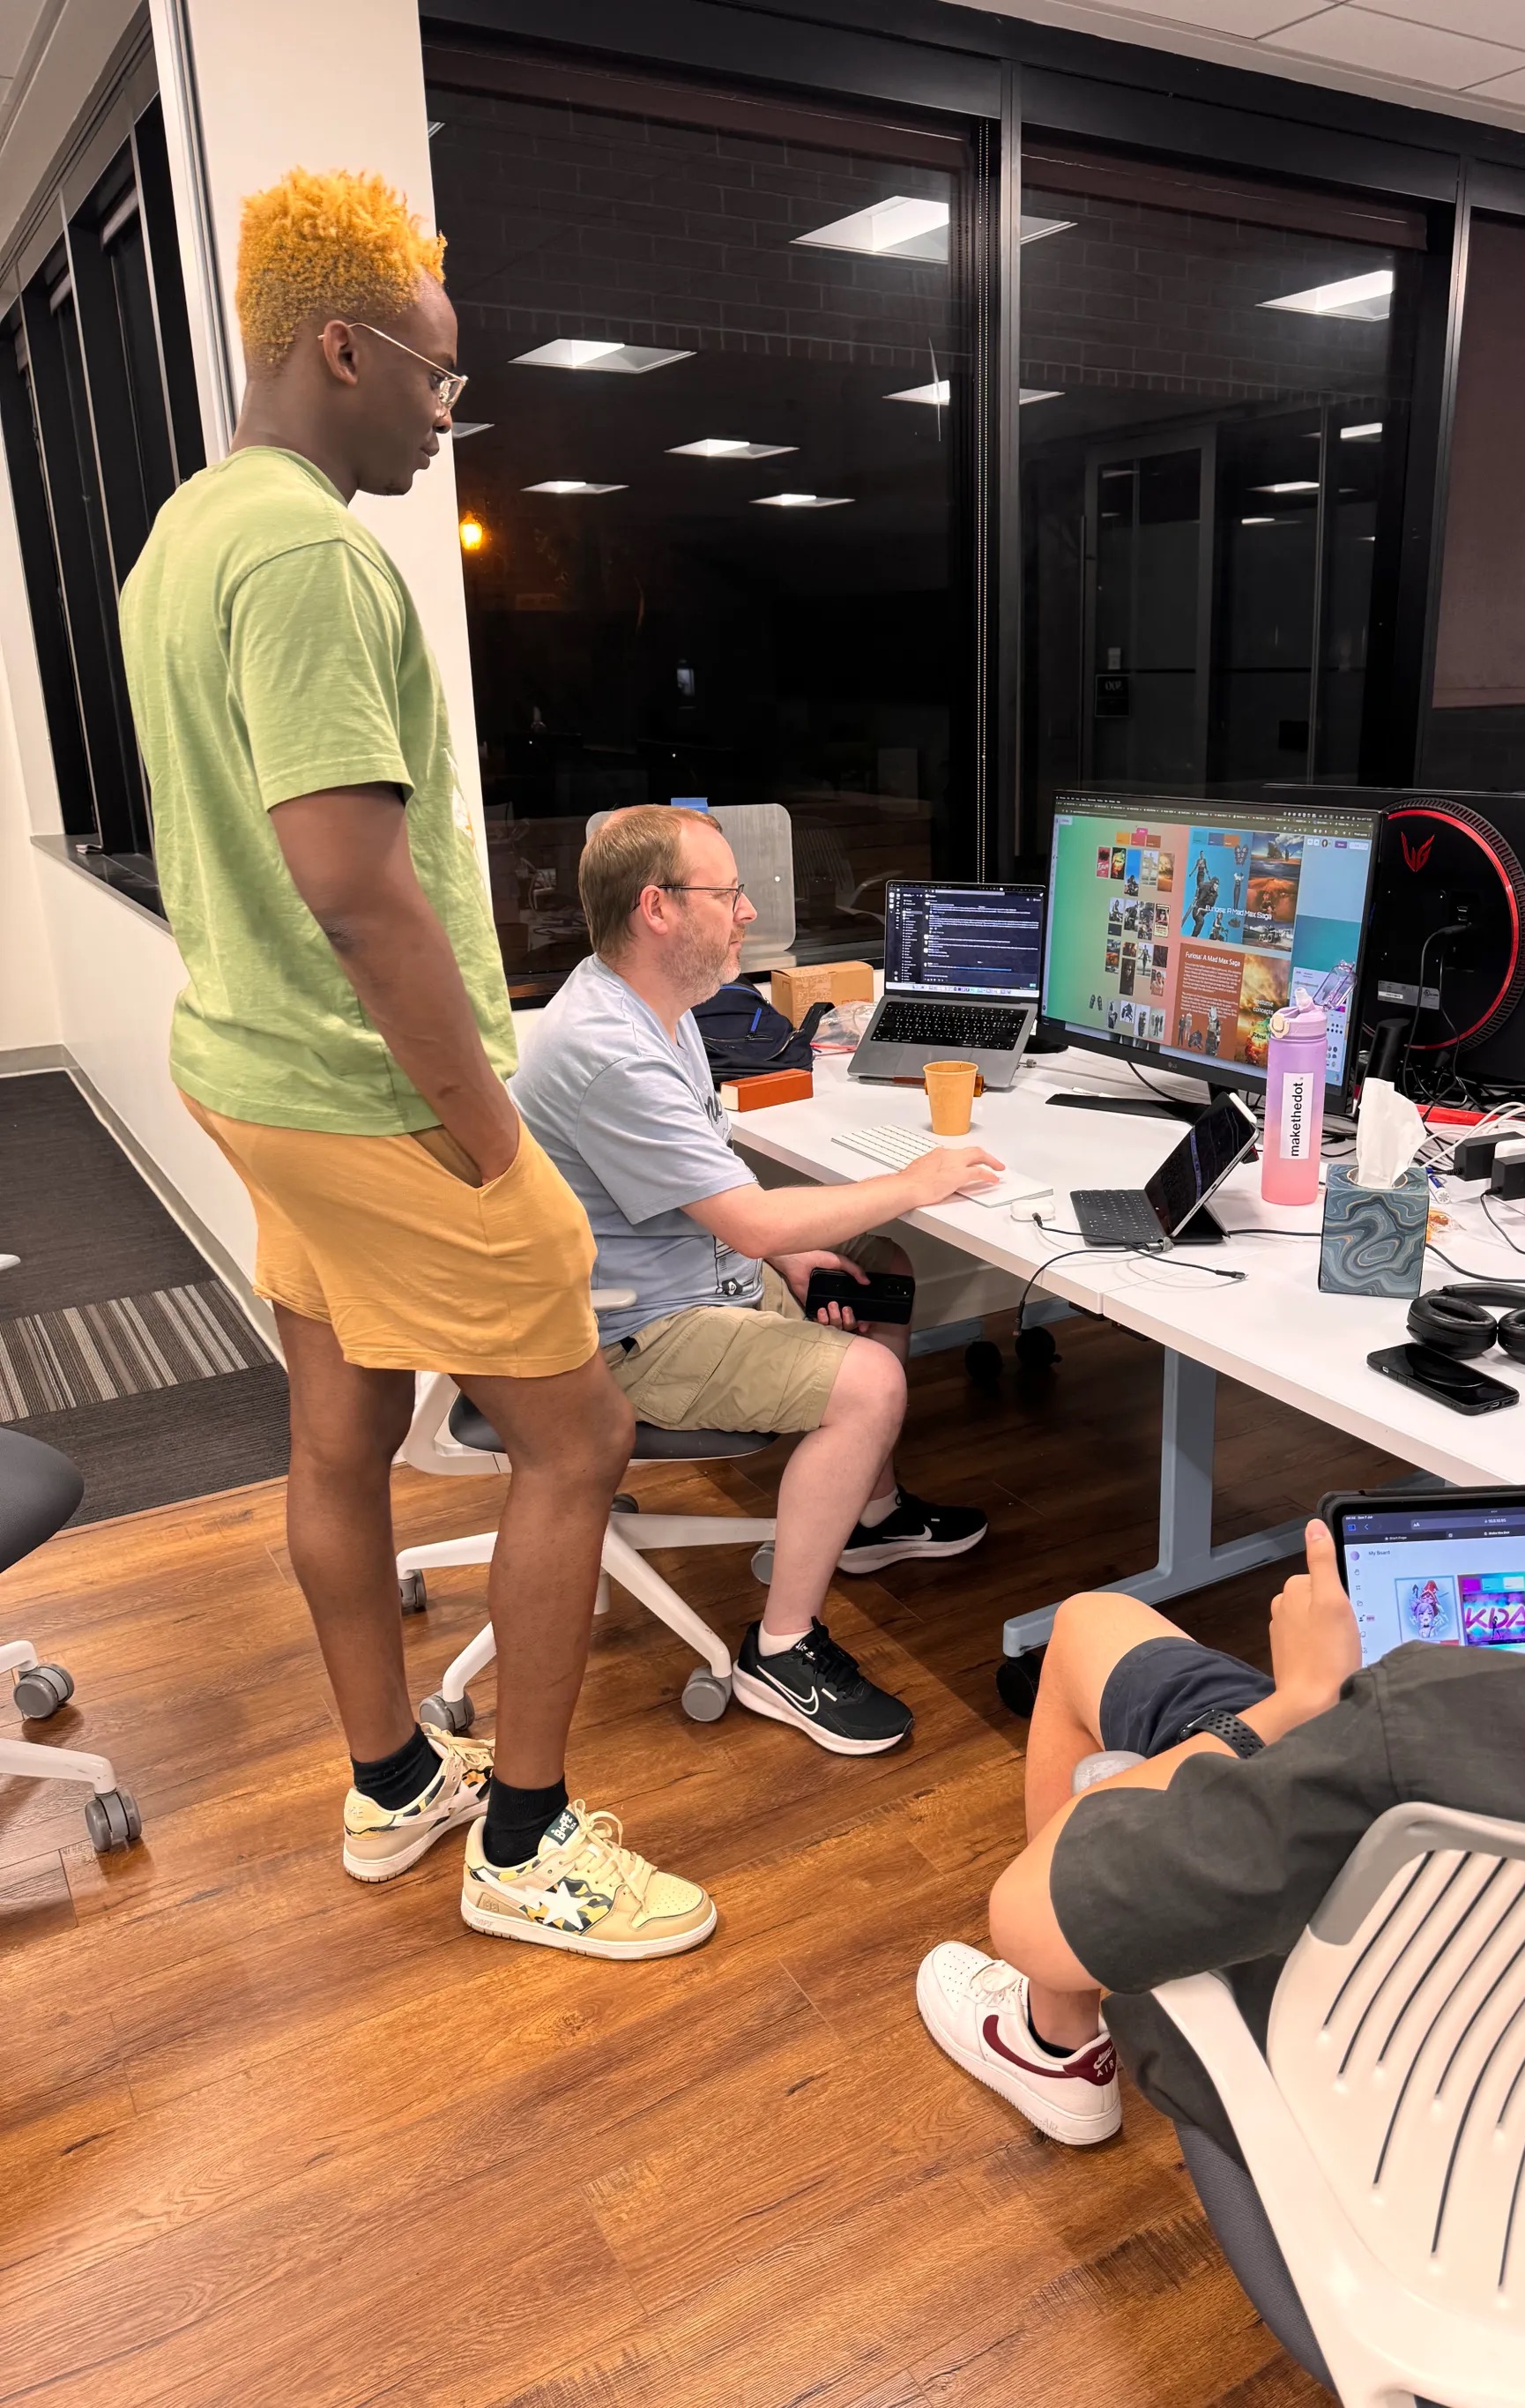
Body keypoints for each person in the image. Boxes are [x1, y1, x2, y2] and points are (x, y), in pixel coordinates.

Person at [117, 169, 714, 1962]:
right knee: (579, 1434)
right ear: (344, 346)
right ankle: (525, 1839)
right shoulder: (307, 548)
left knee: (344, 1421)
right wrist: (492, 1138)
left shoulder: (182, 536)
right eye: (441, 377)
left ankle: (393, 1785)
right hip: (368, 1099)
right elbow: (357, 887)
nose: (451, 413)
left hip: (247, 1067)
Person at [916, 1122, 1525, 2150]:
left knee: (1088, 1628)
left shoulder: (1425, 1721)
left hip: (1405, 2191)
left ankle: (1050, 2038)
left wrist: (1289, 1707)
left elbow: (1026, 1913)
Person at [511, 805, 1000, 1756]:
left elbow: (716, 1200)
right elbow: (743, 1215)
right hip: (630, 1331)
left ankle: (867, 1514)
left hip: (691, 1277)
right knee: (871, 1380)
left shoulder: (649, 1004)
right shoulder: (609, 1049)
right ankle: (780, 1650)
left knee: (876, 1274)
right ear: (657, 908)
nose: (745, 912)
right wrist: (913, 1177)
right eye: (726, 893)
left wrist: (783, 1255)